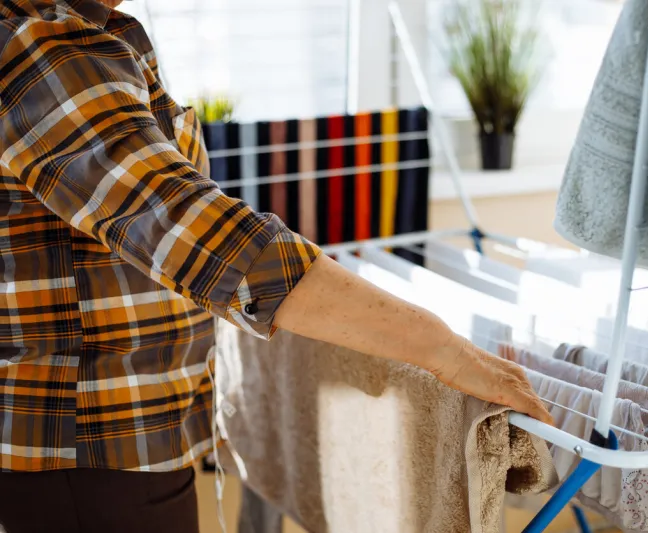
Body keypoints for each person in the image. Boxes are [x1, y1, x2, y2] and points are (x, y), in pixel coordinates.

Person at [0, 1, 552, 531]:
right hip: (92, 450)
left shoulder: (93, 32)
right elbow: (212, 239)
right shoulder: (43, 49)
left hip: (107, 443)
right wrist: (443, 350)